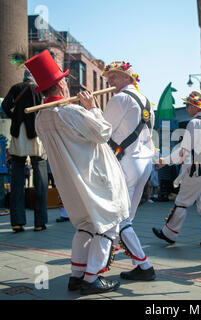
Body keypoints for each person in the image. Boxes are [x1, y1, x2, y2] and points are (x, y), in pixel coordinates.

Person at [25, 50, 130, 295]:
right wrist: (92, 108)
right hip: (93, 178)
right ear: (61, 84)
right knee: (107, 225)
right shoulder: (70, 112)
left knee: (85, 225)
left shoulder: (41, 118)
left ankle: (77, 275)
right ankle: (91, 278)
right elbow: (103, 133)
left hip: (70, 182)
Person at [152, 91, 201, 248]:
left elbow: (183, 151)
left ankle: (169, 233)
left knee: (182, 202)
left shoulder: (195, 123)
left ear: (194, 106)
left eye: (188, 105)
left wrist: (164, 161)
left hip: (198, 168)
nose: (186, 108)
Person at [102, 61, 156, 281]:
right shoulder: (146, 101)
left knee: (121, 217)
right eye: (109, 78)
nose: (110, 82)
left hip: (127, 162)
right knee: (128, 216)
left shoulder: (120, 98)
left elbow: (102, 128)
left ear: (127, 77)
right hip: (145, 161)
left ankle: (144, 265)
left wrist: (89, 110)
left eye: (114, 76)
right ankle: (105, 256)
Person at [2, 69, 48, 233]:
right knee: (41, 181)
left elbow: (5, 106)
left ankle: (17, 222)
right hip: (36, 134)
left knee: (17, 180)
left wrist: (15, 117)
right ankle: (39, 222)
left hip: (19, 135)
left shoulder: (15, 88)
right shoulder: (39, 89)